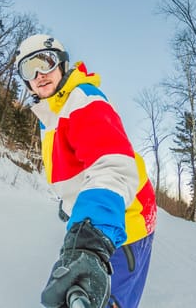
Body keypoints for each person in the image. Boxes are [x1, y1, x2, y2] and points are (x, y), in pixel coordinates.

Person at [14, 34, 157, 308]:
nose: (39, 74)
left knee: (97, 299)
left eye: (46, 63)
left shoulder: (82, 100)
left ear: (63, 65)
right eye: (28, 69)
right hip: (105, 215)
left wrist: (91, 241)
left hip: (120, 223)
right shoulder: (53, 111)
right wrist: (70, 204)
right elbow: (78, 167)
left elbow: (113, 168)